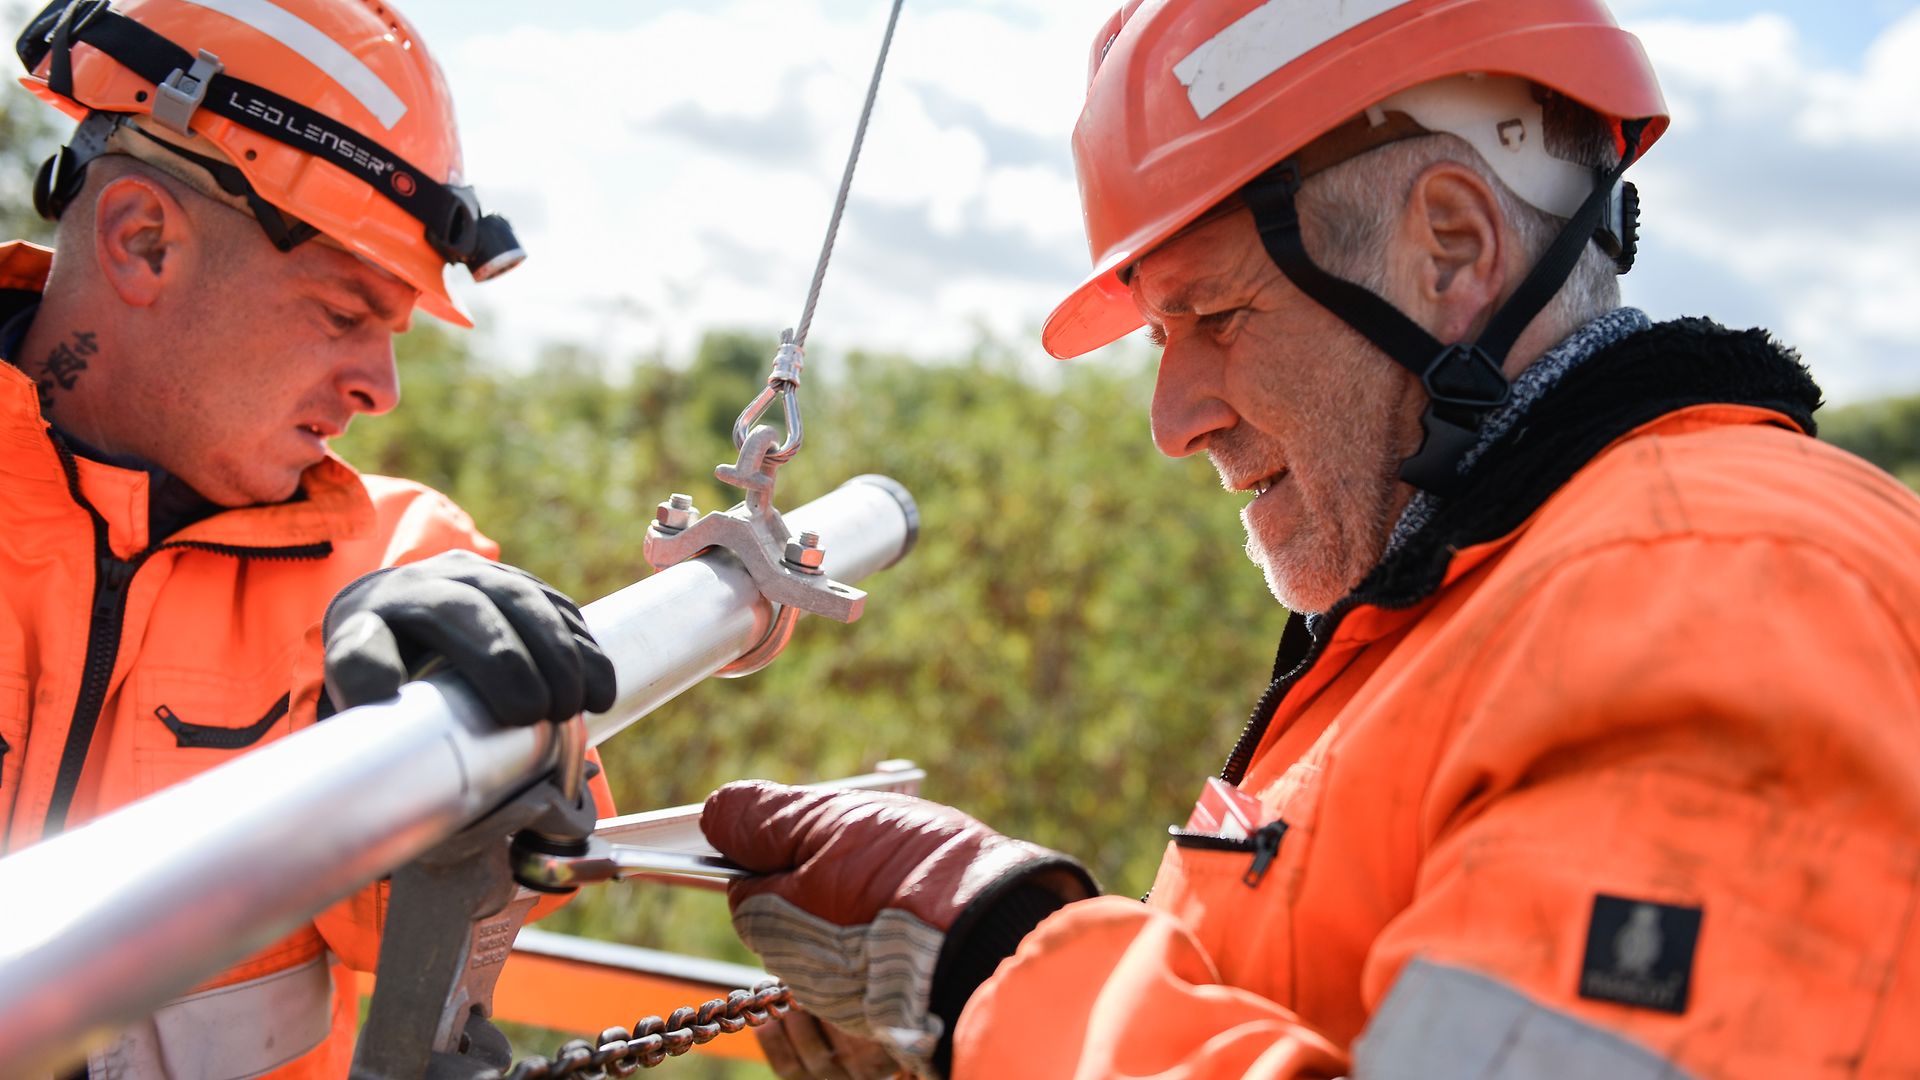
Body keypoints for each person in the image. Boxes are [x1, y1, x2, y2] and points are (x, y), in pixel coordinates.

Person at [699, 0, 1920, 1077]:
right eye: (1159, 336)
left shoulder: (1717, 595)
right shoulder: (1456, 614)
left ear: (1450, 246)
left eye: (1217, 314)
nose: (1173, 423)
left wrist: (992, 966)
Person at [2, 1, 614, 1076]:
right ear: (142, 241)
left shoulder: (395, 564)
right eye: (344, 313)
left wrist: (448, 734)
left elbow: (528, 861)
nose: (379, 386)